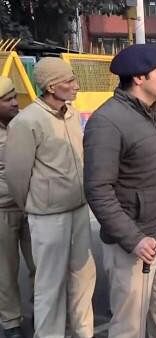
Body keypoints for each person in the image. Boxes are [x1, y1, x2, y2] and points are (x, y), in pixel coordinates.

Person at [84, 44, 156, 338]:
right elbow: (98, 190)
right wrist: (133, 239)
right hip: (135, 243)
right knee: (129, 325)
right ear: (139, 78)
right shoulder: (107, 122)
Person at [6, 58, 96, 338]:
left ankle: (85, 332)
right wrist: (34, 205)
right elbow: (17, 176)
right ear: (51, 87)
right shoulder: (27, 121)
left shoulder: (71, 113)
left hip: (79, 208)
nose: (75, 86)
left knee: (83, 278)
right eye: (69, 82)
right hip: (48, 216)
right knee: (50, 285)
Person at [0, 77, 35, 338]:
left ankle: (42, 310)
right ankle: (11, 320)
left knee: (41, 265)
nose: (15, 103)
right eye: (7, 100)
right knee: (5, 270)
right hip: (3, 210)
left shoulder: (23, 124)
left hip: (32, 206)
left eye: (14, 97)